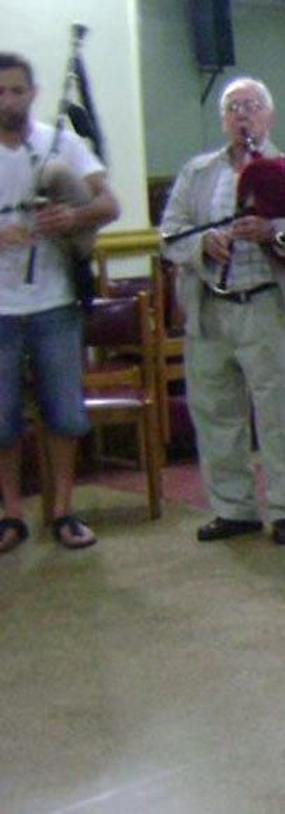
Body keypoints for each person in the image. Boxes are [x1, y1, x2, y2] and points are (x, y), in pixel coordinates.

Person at [160, 77, 285, 547]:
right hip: (211, 305)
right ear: (223, 119)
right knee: (215, 413)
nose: (242, 115)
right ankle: (234, 509)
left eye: (251, 106)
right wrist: (202, 243)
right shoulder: (198, 172)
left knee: (275, 414)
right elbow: (169, 234)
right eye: (233, 108)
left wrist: (271, 231)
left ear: (269, 116)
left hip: (266, 303)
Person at [0, 52, 119, 553]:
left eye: (16, 90)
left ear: (33, 92)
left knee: (63, 412)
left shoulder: (61, 143)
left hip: (55, 302)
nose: (8, 100)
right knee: (1, 418)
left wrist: (72, 218)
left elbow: (109, 204)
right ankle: (10, 515)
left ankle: (63, 511)